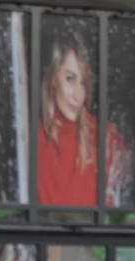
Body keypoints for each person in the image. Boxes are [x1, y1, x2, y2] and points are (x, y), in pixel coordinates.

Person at [34, 30, 129, 206]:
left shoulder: (103, 136)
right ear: (53, 79)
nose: (79, 96)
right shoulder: (32, 138)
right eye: (70, 79)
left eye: (83, 83)